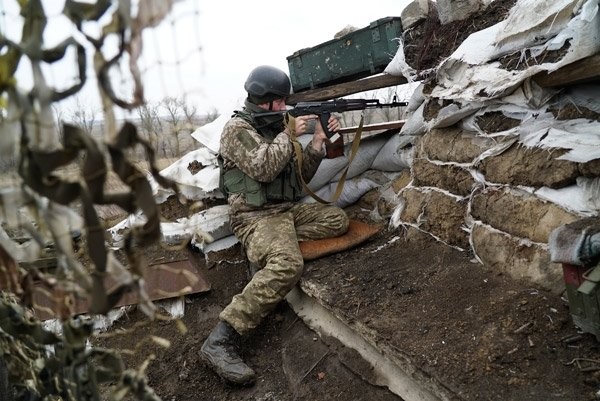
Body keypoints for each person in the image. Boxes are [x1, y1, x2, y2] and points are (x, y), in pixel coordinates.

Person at [200, 65, 349, 385]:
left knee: (337, 219)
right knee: (288, 264)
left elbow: (299, 179)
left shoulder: (277, 128)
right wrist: (289, 133)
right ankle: (221, 340)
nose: (285, 108)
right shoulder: (237, 130)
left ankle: (267, 251)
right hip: (255, 217)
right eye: (279, 102)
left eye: (285, 102)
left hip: (284, 212)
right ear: (263, 100)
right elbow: (264, 168)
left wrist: (318, 142)